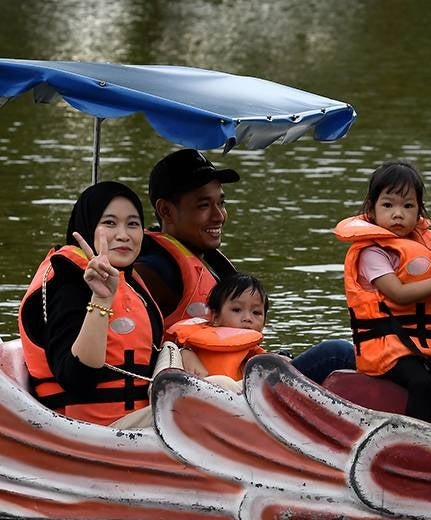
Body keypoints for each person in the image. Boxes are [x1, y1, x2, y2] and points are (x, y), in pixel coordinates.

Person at [135, 148, 355, 384]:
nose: (219, 215)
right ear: (166, 210)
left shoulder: (208, 262)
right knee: (337, 353)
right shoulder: (155, 270)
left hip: (239, 379)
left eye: (221, 203)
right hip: (222, 393)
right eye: (203, 205)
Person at [334, 160, 431, 424]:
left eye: (408, 206)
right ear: (371, 210)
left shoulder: (424, 242)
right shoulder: (372, 252)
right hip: (388, 349)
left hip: (426, 344)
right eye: (388, 205)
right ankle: (416, 443)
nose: (398, 214)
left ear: (419, 210)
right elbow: (398, 293)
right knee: (421, 383)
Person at [18, 181, 164, 427]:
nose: (123, 235)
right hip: (89, 432)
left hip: (139, 425)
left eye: (133, 224)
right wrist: (101, 298)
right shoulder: (66, 284)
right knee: (201, 413)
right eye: (109, 223)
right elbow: (76, 379)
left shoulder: (131, 282)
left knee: (223, 387)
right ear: (87, 226)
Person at [169, 273, 269, 382]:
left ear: (264, 323)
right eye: (237, 310)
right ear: (216, 318)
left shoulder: (260, 360)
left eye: (256, 312)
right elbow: (170, 351)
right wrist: (184, 353)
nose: (248, 318)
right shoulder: (190, 348)